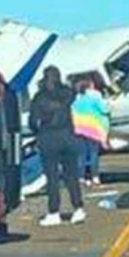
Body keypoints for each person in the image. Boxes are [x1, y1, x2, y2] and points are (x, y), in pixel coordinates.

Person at [28, 66, 85, 227]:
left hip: (48, 138)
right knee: (71, 175)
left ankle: (54, 212)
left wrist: (38, 131)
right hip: (68, 136)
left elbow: (33, 122)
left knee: (52, 177)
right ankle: (78, 207)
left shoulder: (40, 97)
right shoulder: (67, 94)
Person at [71, 77, 110, 186]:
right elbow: (104, 109)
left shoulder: (77, 98)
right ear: (90, 86)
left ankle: (81, 177)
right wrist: (107, 102)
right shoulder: (95, 96)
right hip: (92, 129)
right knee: (93, 154)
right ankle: (95, 176)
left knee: (81, 155)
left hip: (78, 128)